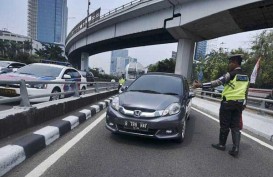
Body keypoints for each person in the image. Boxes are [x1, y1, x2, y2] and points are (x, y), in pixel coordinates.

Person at [192, 54, 249, 157]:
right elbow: (246, 91)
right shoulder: (245, 76)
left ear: (235, 62)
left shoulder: (230, 74)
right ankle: (236, 148)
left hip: (227, 104)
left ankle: (222, 144)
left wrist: (200, 85)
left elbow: (217, 82)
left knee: (225, 125)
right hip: (239, 105)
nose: (229, 64)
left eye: (230, 62)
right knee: (235, 126)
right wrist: (244, 103)